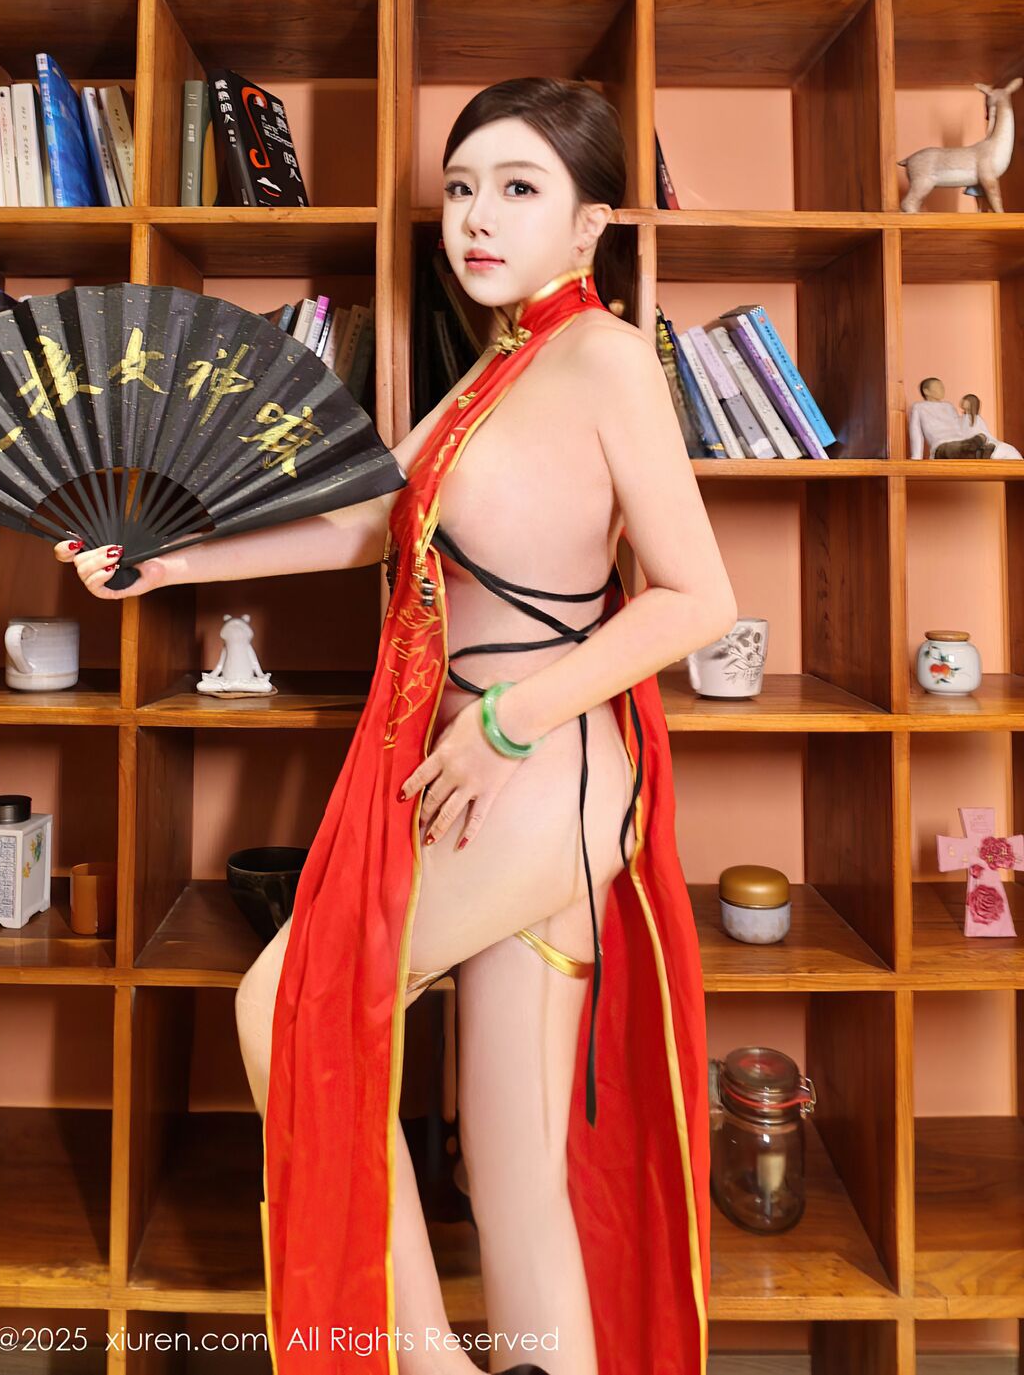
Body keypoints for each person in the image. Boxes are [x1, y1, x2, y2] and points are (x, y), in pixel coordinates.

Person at [55, 76, 737, 1375]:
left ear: (591, 222)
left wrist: (507, 724)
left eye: (519, 189)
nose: (477, 216)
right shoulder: (496, 369)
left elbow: (700, 599)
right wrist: (167, 562)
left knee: (289, 1009)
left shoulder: (602, 358)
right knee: (513, 1165)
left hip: (540, 767)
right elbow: (367, 522)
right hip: (498, 772)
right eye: (463, 188)